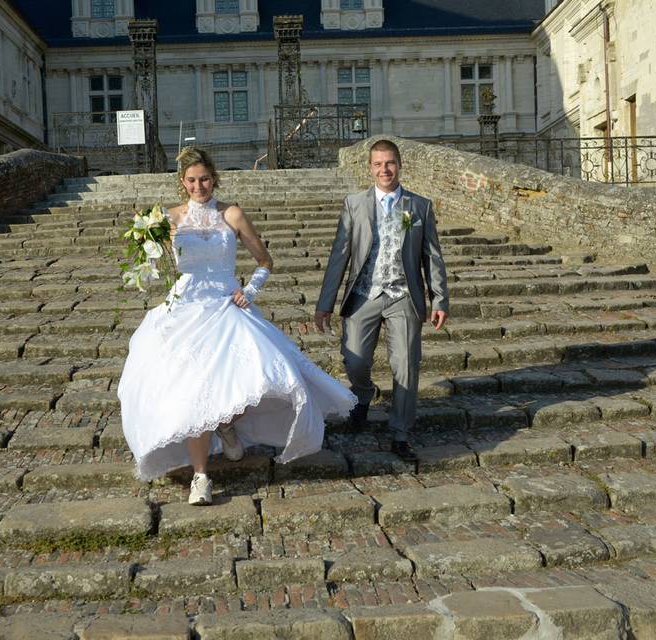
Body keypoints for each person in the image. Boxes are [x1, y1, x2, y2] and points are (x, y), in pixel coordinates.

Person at [118, 147, 356, 505]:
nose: (199, 186)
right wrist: (146, 252)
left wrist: (250, 290)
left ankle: (226, 423)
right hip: (184, 309)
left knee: (261, 377)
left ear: (214, 178)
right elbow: (155, 260)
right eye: (192, 180)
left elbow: (264, 261)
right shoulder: (167, 218)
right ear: (182, 183)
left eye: (205, 179)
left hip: (226, 305)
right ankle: (201, 477)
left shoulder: (231, 214)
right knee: (191, 390)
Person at [314, 139, 449, 462]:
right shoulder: (354, 204)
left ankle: (400, 432)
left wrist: (439, 299)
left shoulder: (420, 206)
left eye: (389, 163)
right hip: (364, 293)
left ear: (399, 165)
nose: (384, 169)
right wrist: (325, 302)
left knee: (405, 364)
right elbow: (340, 255)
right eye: (378, 164)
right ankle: (362, 393)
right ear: (370, 168)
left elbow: (432, 257)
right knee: (355, 360)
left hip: (404, 295)